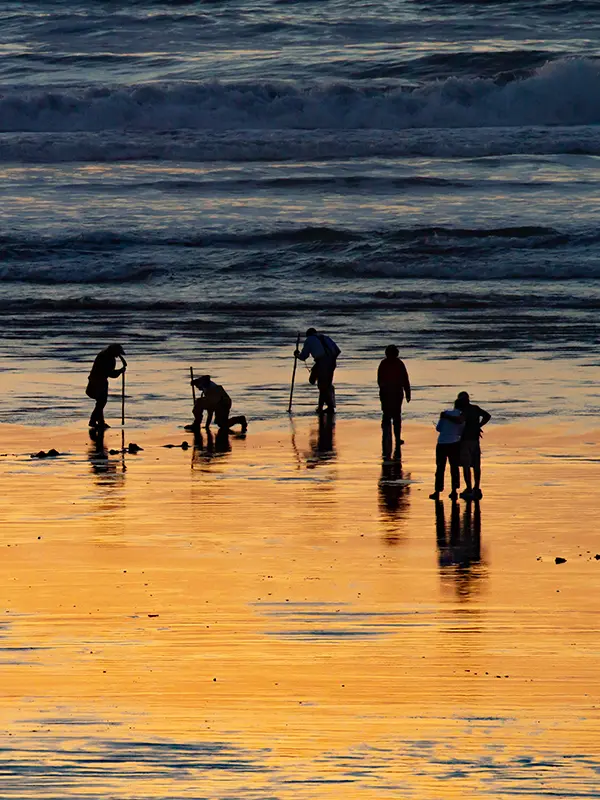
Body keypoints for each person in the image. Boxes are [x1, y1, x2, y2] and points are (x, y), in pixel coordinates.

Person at [295, 328, 341, 413]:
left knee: (323, 386)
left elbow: (304, 356)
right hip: (331, 362)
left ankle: (324, 407)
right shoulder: (325, 337)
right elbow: (337, 351)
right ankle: (326, 406)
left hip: (323, 362)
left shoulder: (309, 340)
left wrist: (297, 355)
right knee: (325, 385)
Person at [455, 391, 491, 500]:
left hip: (465, 440)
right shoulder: (475, 408)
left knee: (466, 466)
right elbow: (487, 416)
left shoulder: (462, 410)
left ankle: (469, 488)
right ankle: (476, 487)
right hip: (475, 440)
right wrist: (478, 425)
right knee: (476, 465)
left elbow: (459, 422)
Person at [377, 344, 411, 457]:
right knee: (395, 416)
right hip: (394, 393)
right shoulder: (398, 363)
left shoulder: (385, 363)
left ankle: (388, 437)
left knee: (388, 415)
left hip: (388, 393)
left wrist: (407, 392)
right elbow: (405, 379)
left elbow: (380, 380)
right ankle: (394, 437)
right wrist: (408, 393)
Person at [429, 398, 465, 501]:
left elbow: (438, 428)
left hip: (441, 443)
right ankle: (454, 491)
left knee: (440, 468)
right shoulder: (461, 416)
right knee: (454, 467)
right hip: (454, 443)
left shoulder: (445, 413)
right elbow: (460, 431)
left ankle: (437, 491)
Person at [86, 344, 126, 429]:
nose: (118, 355)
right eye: (118, 353)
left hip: (99, 381)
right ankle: (93, 421)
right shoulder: (106, 357)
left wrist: (119, 371)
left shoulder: (105, 355)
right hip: (97, 382)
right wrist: (120, 371)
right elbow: (109, 373)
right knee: (101, 402)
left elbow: (109, 373)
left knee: (100, 402)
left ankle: (100, 422)